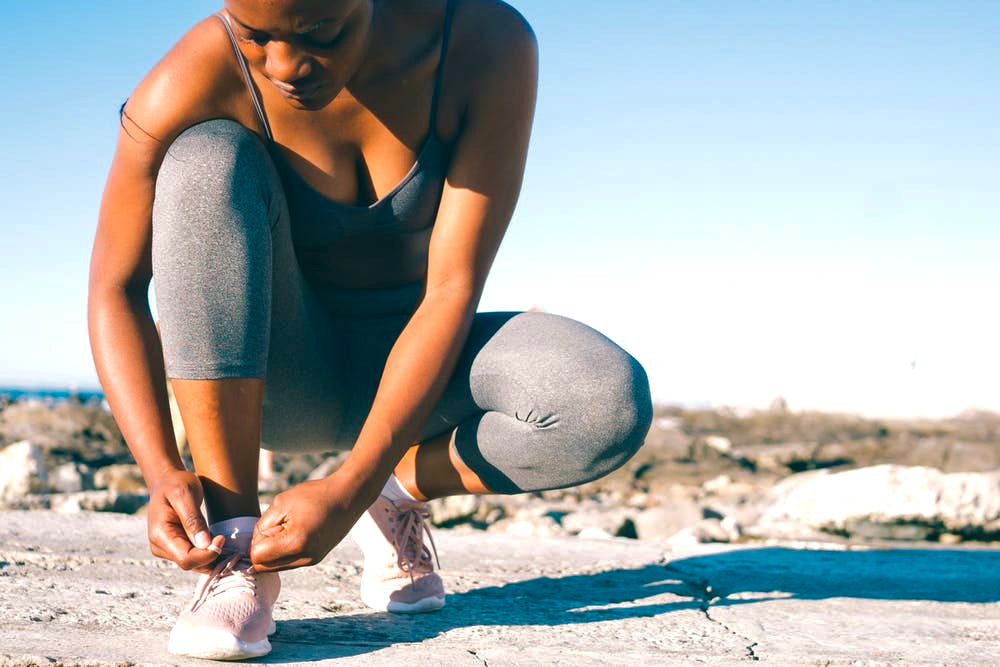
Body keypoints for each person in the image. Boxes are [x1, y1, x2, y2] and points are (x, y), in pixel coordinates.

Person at [88, 0, 652, 660]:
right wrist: (158, 469)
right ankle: (237, 552)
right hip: (279, 379)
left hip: (423, 371)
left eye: (319, 34)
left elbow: (451, 289)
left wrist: (357, 483)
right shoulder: (192, 77)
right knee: (204, 156)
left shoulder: (484, 43)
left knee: (603, 401)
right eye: (256, 36)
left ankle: (394, 493)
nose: (286, 66)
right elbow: (114, 287)